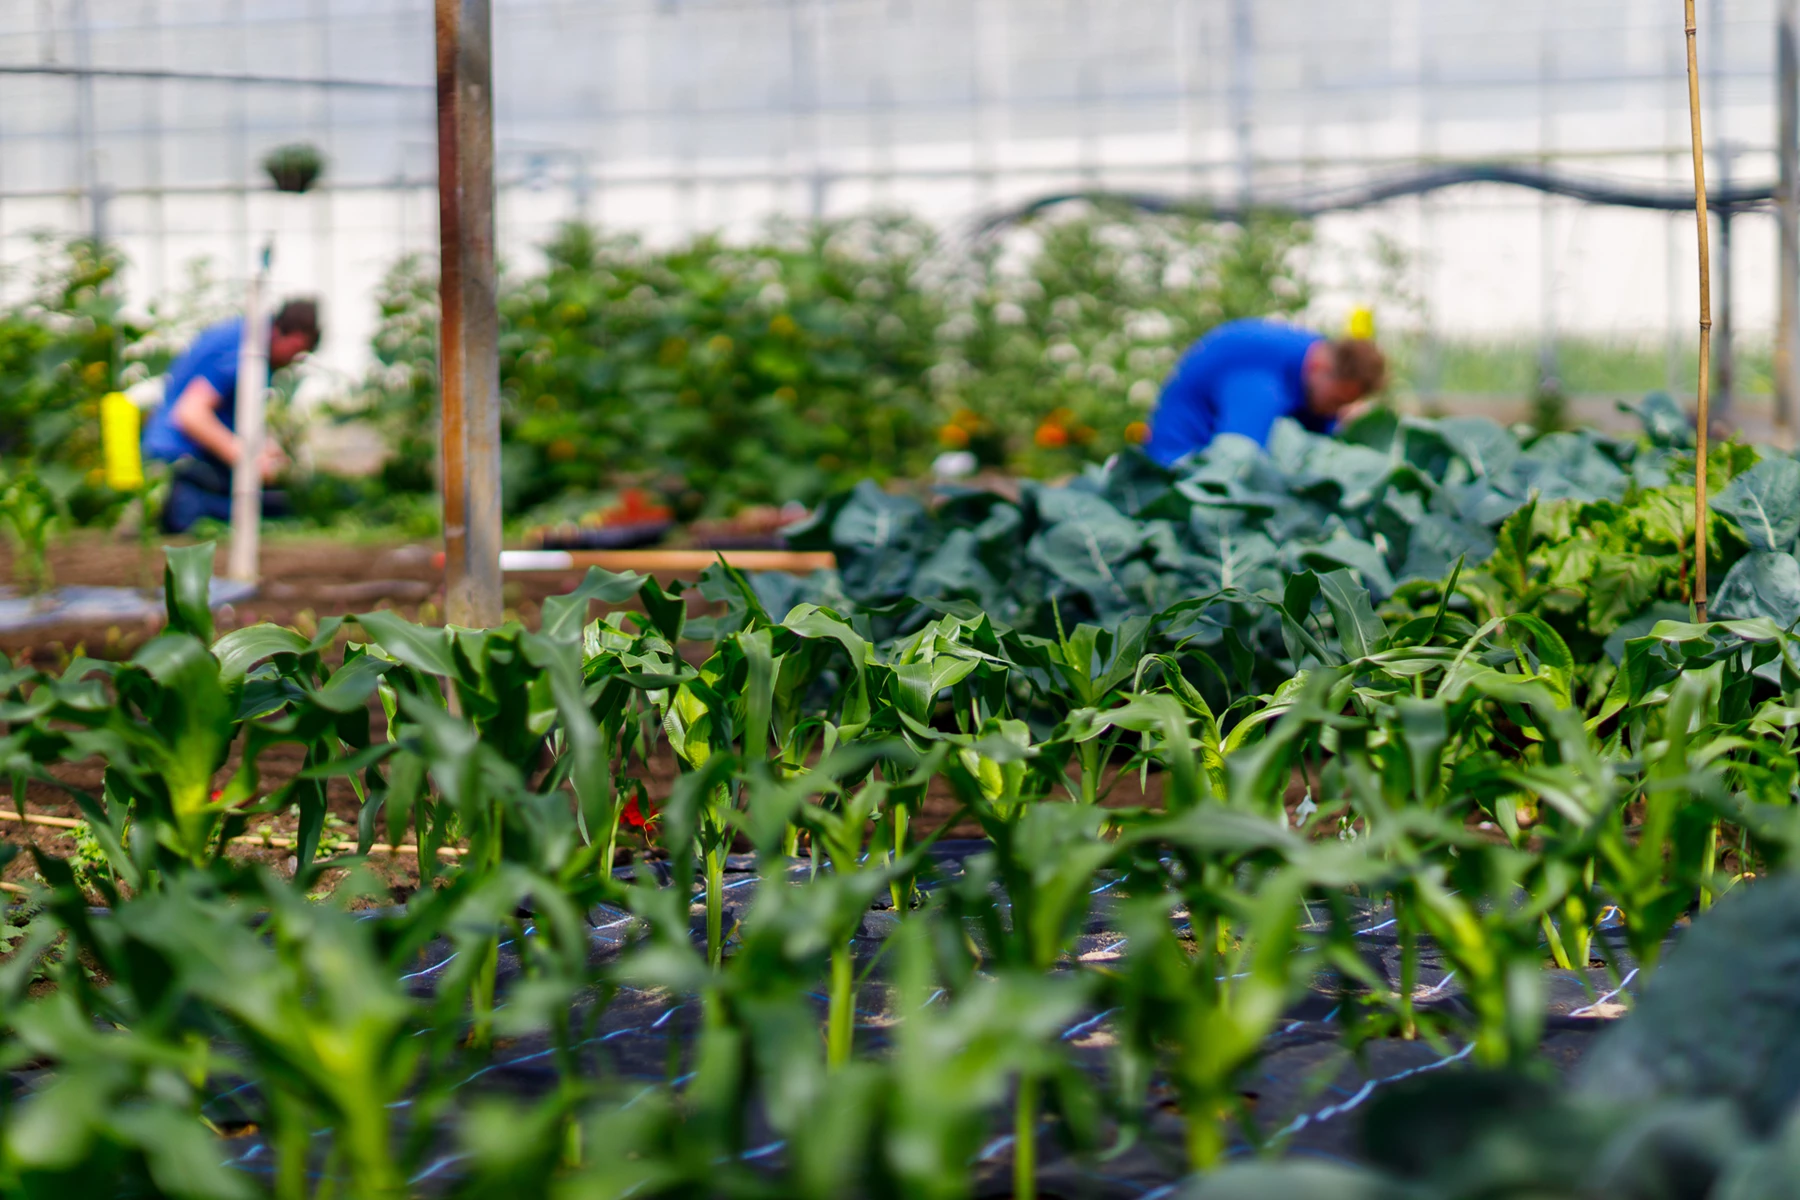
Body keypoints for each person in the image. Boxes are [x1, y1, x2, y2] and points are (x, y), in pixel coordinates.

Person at [143, 299, 320, 532]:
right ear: (291, 336)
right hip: (182, 461)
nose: (293, 362)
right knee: (274, 510)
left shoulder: (243, 334)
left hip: (184, 457)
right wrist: (250, 461)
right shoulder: (248, 352)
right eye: (297, 352)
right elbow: (190, 414)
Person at [1143, 318, 1387, 467]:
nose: (1335, 413)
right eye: (1335, 402)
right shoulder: (1261, 377)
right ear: (1319, 367)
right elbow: (1237, 457)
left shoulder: (1320, 358)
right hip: (1176, 462)